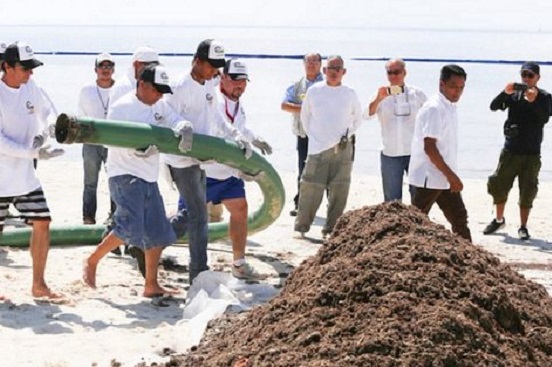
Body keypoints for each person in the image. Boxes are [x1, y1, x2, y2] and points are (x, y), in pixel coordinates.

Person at [82, 64, 193, 297]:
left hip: (149, 176)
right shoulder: (123, 108)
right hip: (124, 174)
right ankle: (92, 260)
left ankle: (151, 284)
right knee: (129, 227)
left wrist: (183, 126)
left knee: (157, 231)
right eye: (157, 89)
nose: (160, 95)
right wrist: (137, 148)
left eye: (163, 91)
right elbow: (108, 142)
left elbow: (174, 119)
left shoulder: (160, 104)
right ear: (142, 84)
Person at [163, 39, 252, 283]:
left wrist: (237, 135)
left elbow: (217, 119)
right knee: (195, 217)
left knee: (196, 217)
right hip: (182, 161)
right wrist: (179, 123)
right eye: (211, 65)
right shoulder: (179, 86)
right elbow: (163, 111)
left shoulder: (209, 86)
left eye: (217, 66)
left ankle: (155, 246)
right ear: (197, 61)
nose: (215, 71)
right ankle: (189, 267)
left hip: (201, 159)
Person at [0, 41, 64, 299]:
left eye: (31, 67)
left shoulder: (31, 86)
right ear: (6, 66)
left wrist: (47, 132)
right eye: (24, 68)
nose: (30, 73)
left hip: (25, 176)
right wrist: (34, 153)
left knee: (42, 221)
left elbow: (47, 111)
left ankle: (39, 285)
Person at [201, 58, 272, 279]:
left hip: (229, 174)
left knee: (240, 210)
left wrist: (255, 138)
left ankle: (239, 264)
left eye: (243, 81)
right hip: (207, 172)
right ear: (222, 77)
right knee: (186, 220)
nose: (239, 86)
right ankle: (149, 244)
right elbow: (222, 129)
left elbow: (240, 127)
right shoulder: (213, 100)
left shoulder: (237, 104)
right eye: (234, 80)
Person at [294, 55, 362, 237]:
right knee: (310, 188)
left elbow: (357, 119)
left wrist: (344, 136)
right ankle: (302, 227)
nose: (334, 72)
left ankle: (331, 229)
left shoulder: (350, 92)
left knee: (340, 189)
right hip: (317, 148)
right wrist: (316, 137)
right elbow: (305, 117)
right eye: (331, 68)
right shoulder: (315, 91)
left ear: (344, 72)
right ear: (324, 70)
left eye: (338, 68)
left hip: (342, 148)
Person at [483, 62, 552, 240]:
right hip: (511, 150)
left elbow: (544, 118)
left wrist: (534, 101)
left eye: (530, 75)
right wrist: (505, 92)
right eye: (524, 75)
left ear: (538, 78)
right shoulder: (514, 94)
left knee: (528, 190)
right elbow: (493, 106)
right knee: (499, 184)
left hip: (531, 152)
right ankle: (498, 219)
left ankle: (523, 226)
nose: (526, 79)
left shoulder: (544, 97)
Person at [408, 64, 472, 242]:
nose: (457, 92)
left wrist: (450, 176)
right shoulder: (434, 108)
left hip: (444, 177)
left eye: (461, 88)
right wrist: (451, 176)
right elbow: (430, 148)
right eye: (453, 87)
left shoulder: (450, 106)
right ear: (441, 84)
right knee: (416, 224)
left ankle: (469, 261)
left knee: (459, 219)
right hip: (427, 179)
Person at [364, 58, 427, 202]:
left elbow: (431, 118)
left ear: (405, 72)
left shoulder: (417, 94)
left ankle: (417, 224)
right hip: (390, 153)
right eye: (389, 73)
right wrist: (379, 99)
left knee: (419, 197)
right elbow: (366, 115)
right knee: (392, 201)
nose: (393, 76)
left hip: (415, 153)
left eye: (396, 72)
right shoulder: (380, 93)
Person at [281, 53, 324, 216]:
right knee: (303, 171)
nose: (311, 64)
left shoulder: (328, 84)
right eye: (308, 61)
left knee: (326, 172)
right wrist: (306, 109)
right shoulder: (297, 84)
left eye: (315, 61)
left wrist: (303, 108)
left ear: (321, 64)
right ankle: (300, 205)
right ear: (303, 64)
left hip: (324, 136)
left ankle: (330, 208)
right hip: (303, 135)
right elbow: (284, 105)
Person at [77, 52, 116, 225]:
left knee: (115, 181)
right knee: (90, 182)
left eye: (109, 66)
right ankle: (88, 217)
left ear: (113, 69)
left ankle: (115, 216)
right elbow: (81, 114)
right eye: (102, 66)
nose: (105, 69)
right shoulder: (87, 90)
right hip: (91, 141)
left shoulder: (120, 88)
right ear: (95, 69)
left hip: (115, 142)